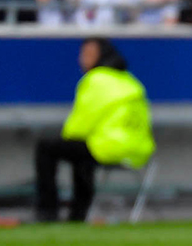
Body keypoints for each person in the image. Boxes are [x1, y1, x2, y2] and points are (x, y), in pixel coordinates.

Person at [34, 38, 155, 221]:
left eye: (87, 54)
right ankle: (78, 214)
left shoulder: (96, 79)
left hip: (109, 147)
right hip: (140, 150)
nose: (82, 59)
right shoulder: (130, 80)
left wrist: (66, 136)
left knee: (48, 148)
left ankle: (48, 211)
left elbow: (80, 124)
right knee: (82, 155)